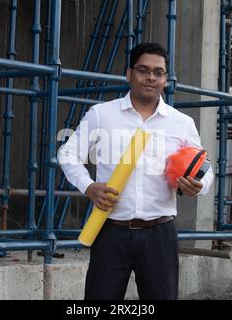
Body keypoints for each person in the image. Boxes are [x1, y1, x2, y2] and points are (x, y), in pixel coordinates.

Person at [58, 42, 214, 300]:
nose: (151, 77)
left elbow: (205, 169)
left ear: (165, 78)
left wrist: (198, 185)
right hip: (110, 230)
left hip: (159, 234)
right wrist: (88, 186)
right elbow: (67, 153)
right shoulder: (102, 115)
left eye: (158, 72)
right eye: (143, 70)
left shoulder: (181, 123)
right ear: (129, 74)